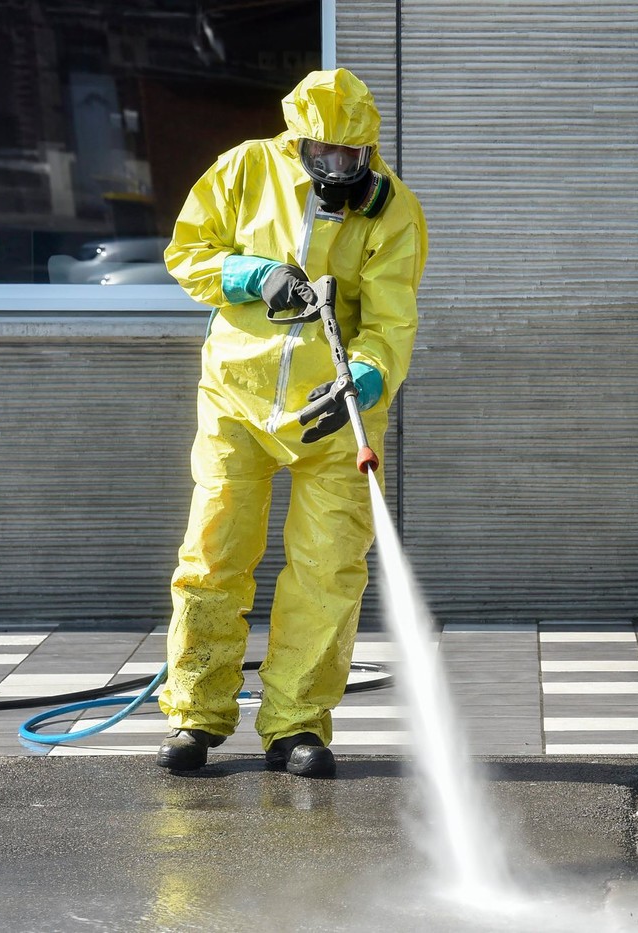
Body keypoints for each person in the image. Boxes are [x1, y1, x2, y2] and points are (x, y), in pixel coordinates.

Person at [155, 68, 426, 777]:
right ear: (298, 141)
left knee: (328, 571)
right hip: (237, 400)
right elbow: (187, 254)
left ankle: (297, 725)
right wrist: (250, 275)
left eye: (355, 156)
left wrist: (364, 376)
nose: (342, 169)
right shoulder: (245, 170)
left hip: (333, 418)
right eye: (327, 155)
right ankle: (196, 715)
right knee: (213, 555)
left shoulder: (392, 212)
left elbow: (392, 322)